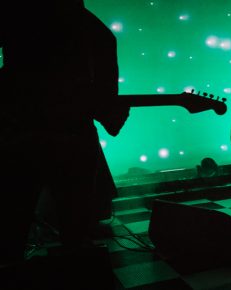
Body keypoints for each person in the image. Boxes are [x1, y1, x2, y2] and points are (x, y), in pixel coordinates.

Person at [0, 1, 129, 265]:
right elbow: (105, 96)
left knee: (12, 223)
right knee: (74, 224)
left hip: (20, 134)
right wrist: (109, 113)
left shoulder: (14, 14)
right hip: (71, 136)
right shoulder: (90, 28)